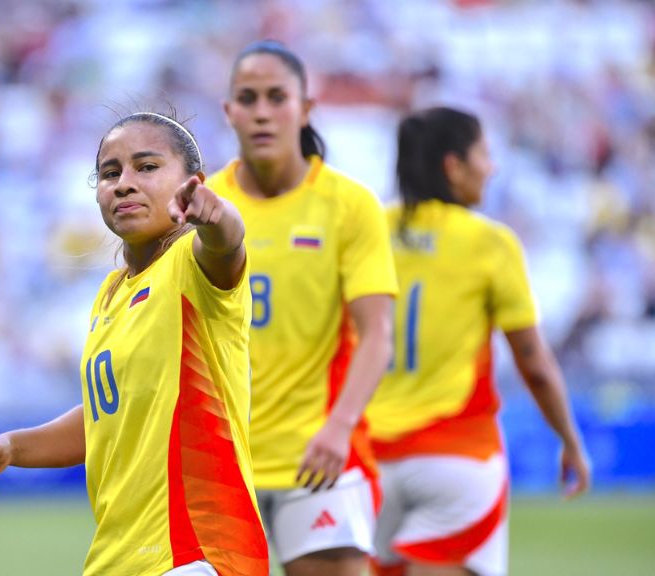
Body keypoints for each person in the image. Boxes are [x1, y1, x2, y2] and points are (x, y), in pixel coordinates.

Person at [0, 112, 269, 576]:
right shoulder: (110, 294)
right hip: (121, 558)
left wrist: (217, 215)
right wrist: (13, 446)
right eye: (110, 172)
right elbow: (107, 417)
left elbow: (227, 244)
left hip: (195, 552)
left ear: (193, 183)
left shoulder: (193, 265)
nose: (124, 183)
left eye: (146, 167)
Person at [366, 106, 591, 576]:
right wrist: (569, 439)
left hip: (369, 464)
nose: (492, 167)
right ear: (453, 165)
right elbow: (533, 361)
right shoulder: (489, 242)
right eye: (484, 154)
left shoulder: (368, 230)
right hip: (456, 455)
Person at [208, 40, 398, 576]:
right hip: (220, 466)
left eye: (277, 96)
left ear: (305, 108)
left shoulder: (348, 205)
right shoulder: (201, 206)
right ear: (229, 111)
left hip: (318, 459)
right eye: (248, 98)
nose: (263, 111)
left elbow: (377, 333)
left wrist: (339, 428)